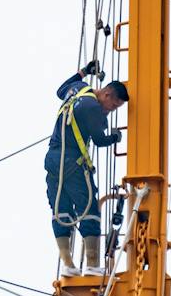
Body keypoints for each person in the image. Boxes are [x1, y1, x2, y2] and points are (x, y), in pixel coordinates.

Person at [45, 67, 127, 272]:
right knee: (89, 208)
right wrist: (115, 137)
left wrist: (84, 72)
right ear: (107, 94)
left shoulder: (79, 89)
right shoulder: (93, 108)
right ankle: (92, 264)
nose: (110, 110)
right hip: (73, 161)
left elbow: (60, 90)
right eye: (113, 106)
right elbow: (99, 140)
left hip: (53, 160)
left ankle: (68, 265)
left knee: (60, 209)